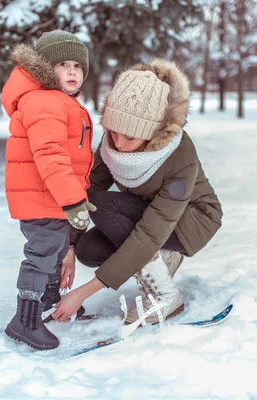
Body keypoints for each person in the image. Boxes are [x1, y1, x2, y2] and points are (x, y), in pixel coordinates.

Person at [51, 59, 223, 325]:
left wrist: (84, 292)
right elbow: (88, 188)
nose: (117, 143)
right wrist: (70, 246)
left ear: (152, 132)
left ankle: (166, 296)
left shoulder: (179, 155)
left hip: (192, 220)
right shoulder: (115, 142)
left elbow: (150, 232)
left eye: (129, 137)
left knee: (104, 205)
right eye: (112, 131)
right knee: (89, 249)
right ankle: (161, 259)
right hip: (146, 214)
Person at [0, 30, 95, 350]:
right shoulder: (44, 101)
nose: (72, 72)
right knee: (42, 253)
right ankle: (24, 320)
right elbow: (51, 155)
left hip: (48, 196)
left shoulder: (58, 101)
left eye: (78, 67)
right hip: (42, 196)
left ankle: (49, 296)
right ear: (44, 69)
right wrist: (73, 200)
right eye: (63, 64)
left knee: (54, 249)